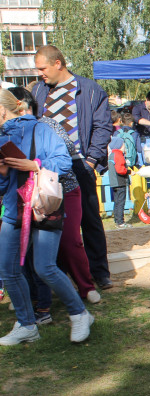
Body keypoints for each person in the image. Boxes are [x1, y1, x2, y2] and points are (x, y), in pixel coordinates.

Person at [0, 88, 94, 345]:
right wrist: (3, 173)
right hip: (14, 210)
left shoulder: (41, 128)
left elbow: (64, 162)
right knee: (8, 270)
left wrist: (35, 165)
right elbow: (2, 187)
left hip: (43, 206)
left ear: (3, 109)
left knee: (45, 268)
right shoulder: (1, 138)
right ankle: (27, 325)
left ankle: (80, 314)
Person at [31, 45, 114, 290]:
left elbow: (103, 127)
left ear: (58, 63)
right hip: (48, 167)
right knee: (50, 219)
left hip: (80, 163)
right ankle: (59, 273)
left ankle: (99, 272)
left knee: (90, 219)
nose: (40, 74)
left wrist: (91, 160)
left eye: (43, 68)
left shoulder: (89, 89)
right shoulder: (38, 90)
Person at [107, 137, 130, 228]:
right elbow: (120, 170)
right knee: (121, 202)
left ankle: (117, 220)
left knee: (116, 202)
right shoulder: (118, 154)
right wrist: (128, 171)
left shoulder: (111, 154)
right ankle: (121, 222)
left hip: (114, 182)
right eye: (123, 145)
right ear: (119, 145)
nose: (124, 147)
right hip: (120, 181)